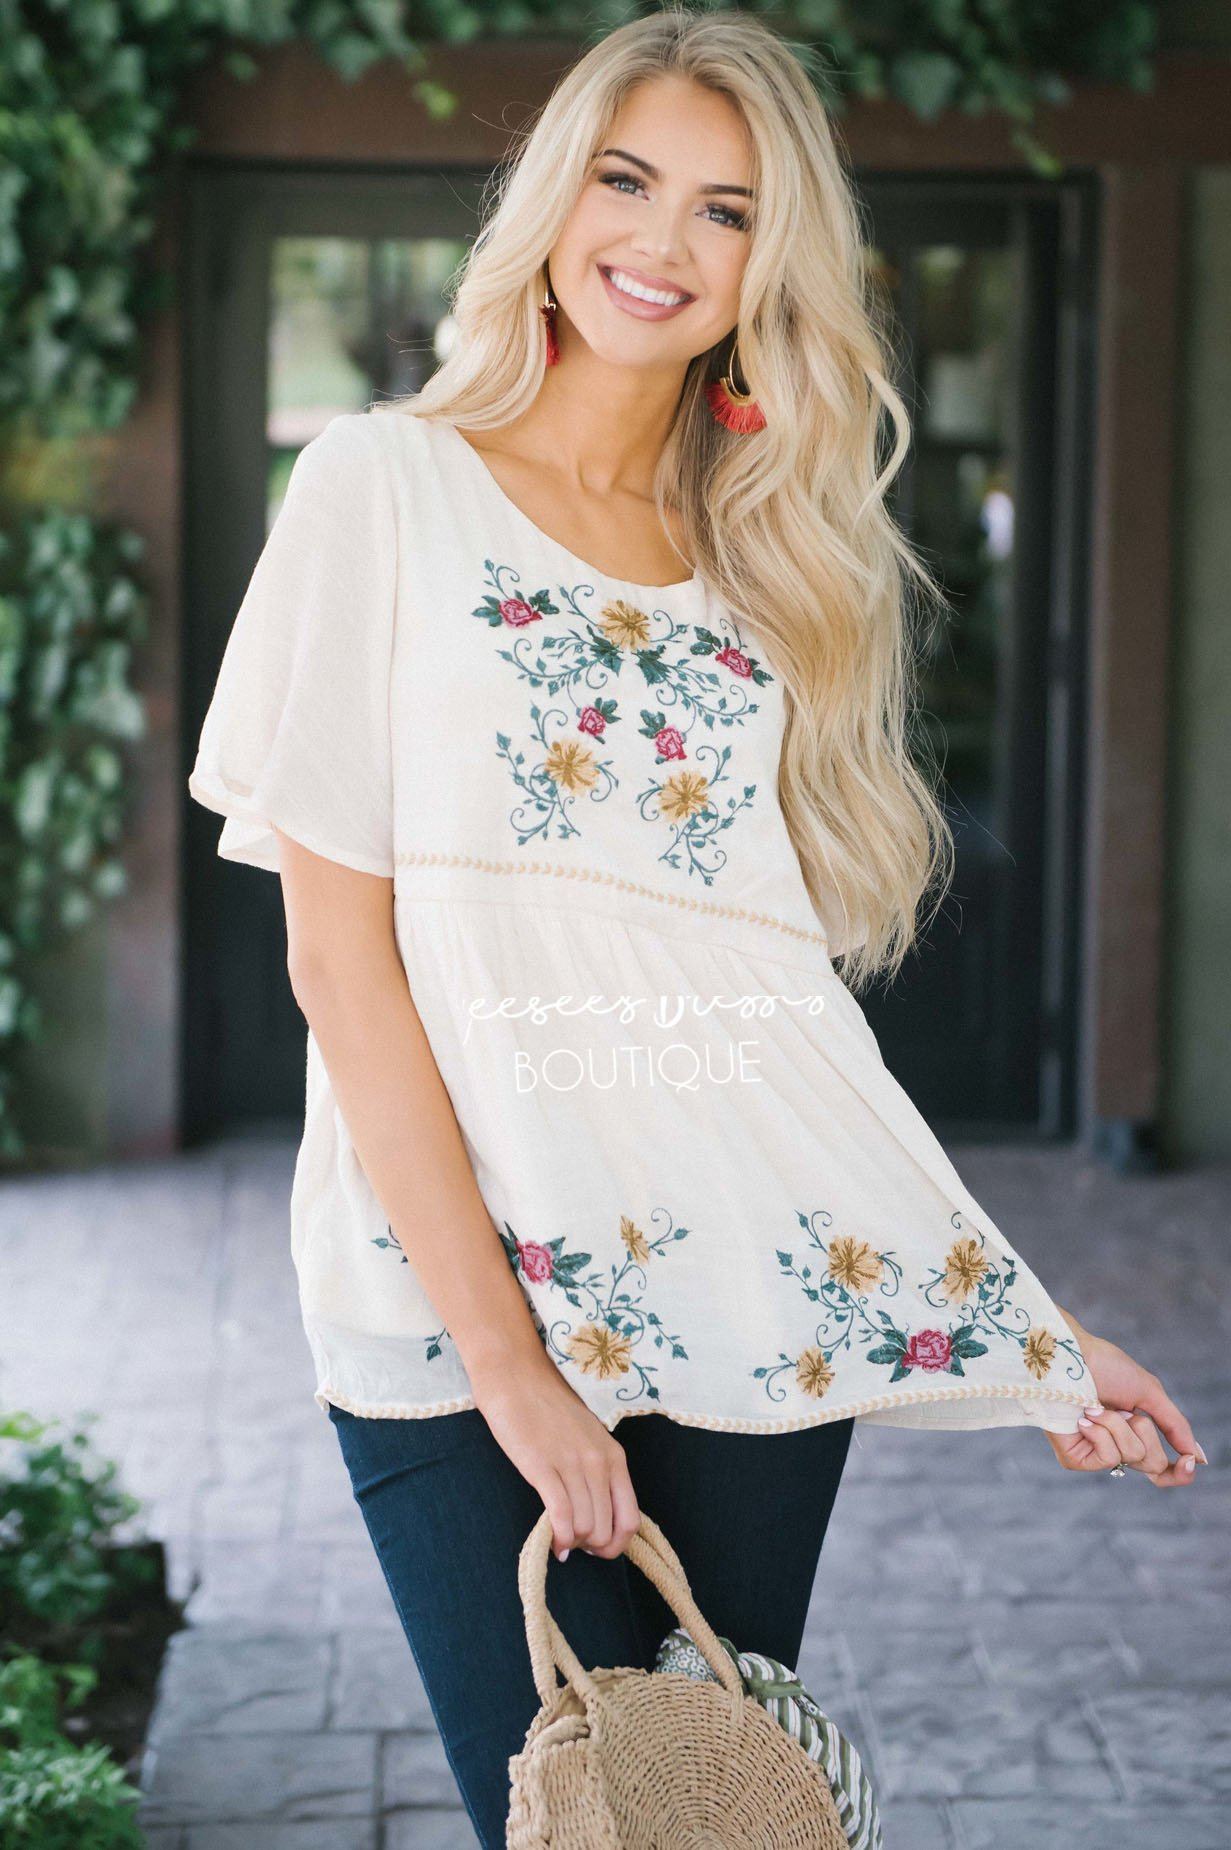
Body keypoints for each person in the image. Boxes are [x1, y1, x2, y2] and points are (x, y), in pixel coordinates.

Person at [187, 9, 1204, 1844]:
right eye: (627, 178)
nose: (662, 241)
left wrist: (1031, 1338)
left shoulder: (769, 565)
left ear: (770, 268)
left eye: (727, 211)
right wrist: (515, 1369)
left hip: (736, 1303)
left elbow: (773, 1009)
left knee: (707, 1812)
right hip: (444, 1319)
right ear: (554, 198)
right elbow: (338, 960)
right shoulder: (379, 491)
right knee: (562, 1814)